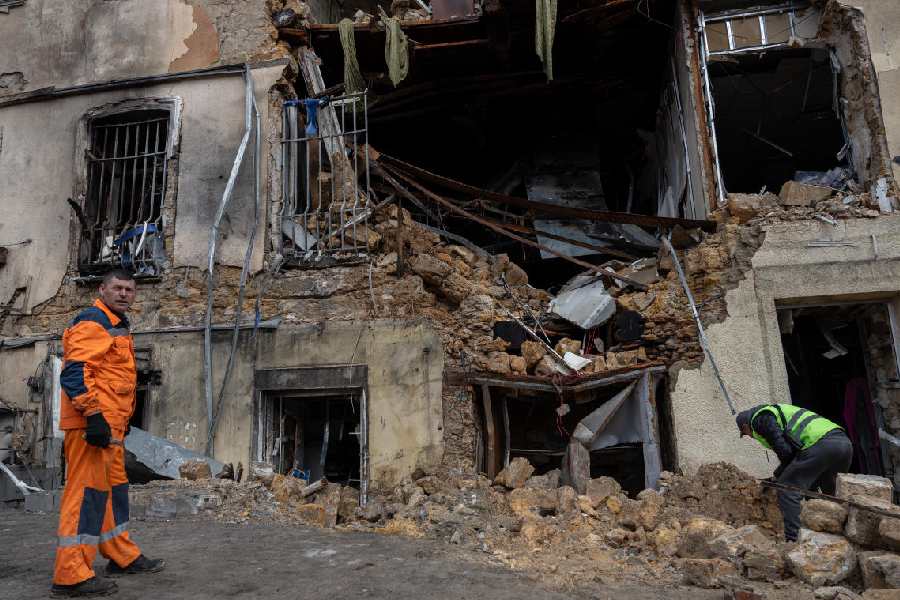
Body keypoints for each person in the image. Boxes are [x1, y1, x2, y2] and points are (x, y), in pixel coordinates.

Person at [52, 269, 164, 597]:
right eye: (117, 288)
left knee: (114, 491)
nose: (124, 293)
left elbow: (113, 379)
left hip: (110, 428)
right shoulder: (93, 320)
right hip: (92, 427)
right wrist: (95, 417)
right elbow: (75, 373)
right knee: (86, 494)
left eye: (129, 289)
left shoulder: (117, 326)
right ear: (101, 289)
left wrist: (120, 419)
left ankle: (120, 554)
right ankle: (70, 574)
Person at [736, 403, 853, 542]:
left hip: (821, 445)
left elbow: (786, 453)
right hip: (843, 445)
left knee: (787, 488)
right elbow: (794, 456)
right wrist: (778, 474)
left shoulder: (760, 420)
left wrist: (778, 477)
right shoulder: (775, 412)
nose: (750, 436)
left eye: (746, 434)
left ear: (745, 427)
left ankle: (794, 540)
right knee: (823, 494)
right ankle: (835, 539)